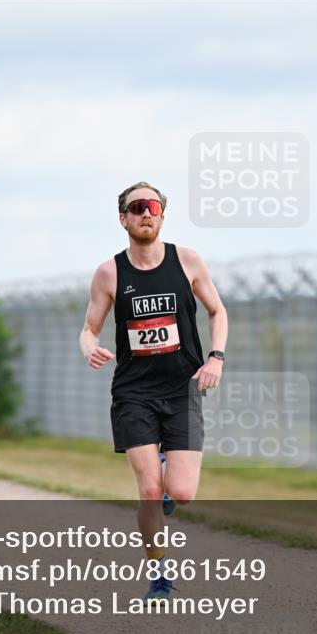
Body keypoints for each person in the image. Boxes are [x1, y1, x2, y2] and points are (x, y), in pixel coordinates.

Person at [78, 181, 229, 603]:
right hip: (133, 392)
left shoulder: (188, 261)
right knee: (148, 490)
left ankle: (167, 472)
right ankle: (159, 576)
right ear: (123, 218)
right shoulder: (109, 272)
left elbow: (218, 311)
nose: (147, 213)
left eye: (154, 206)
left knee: (180, 492)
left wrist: (215, 357)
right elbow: (88, 329)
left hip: (181, 389)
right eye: (137, 207)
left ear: (162, 215)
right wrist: (91, 348)